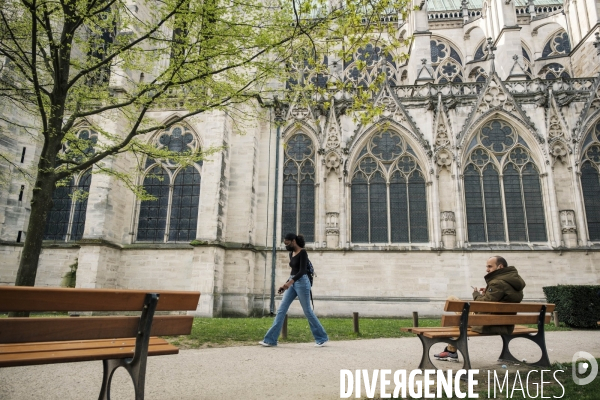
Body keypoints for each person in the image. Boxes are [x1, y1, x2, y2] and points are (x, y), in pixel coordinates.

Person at [435, 255, 526, 360]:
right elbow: (496, 300)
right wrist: (487, 293)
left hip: (489, 323)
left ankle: (451, 351)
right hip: (505, 323)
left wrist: (476, 294)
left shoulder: (497, 283)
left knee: (452, 300)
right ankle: (451, 351)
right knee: (461, 320)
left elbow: (481, 306)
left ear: (500, 267)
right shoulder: (514, 282)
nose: (487, 270)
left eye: (490, 266)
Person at [259, 233, 329, 347]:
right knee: (281, 310)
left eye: (287, 243)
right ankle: (270, 340)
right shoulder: (291, 253)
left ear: (293, 241)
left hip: (302, 282)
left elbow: (301, 271)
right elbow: (293, 272)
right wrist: (285, 284)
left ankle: (321, 337)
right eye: (285, 243)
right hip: (293, 281)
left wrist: (289, 283)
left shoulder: (303, 252)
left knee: (307, 311)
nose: (286, 245)